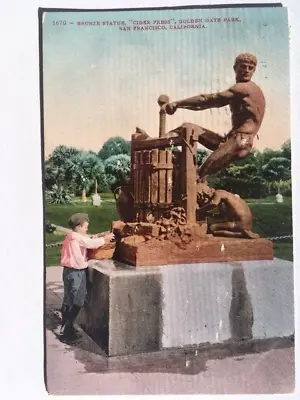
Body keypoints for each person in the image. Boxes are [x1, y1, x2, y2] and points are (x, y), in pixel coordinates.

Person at [163, 53, 265, 182]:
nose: (246, 70)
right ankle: (159, 143)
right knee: (187, 128)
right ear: (235, 68)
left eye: (250, 68)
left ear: (254, 70)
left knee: (196, 177)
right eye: (243, 66)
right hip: (231, 140)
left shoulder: (243, 88)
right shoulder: (244, 89)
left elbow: (207, 100)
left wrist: (177, 104)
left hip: (240, 141)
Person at [60, 213, 114, 343]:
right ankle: (67, 331)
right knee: (77, 301)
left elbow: (86, 238)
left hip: (68, 272)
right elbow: (91, 243)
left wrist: (94, 236)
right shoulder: (77, 238)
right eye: (85, 227)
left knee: (69, 299)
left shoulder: (71, 236)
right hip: (77, 272)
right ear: (78, 227)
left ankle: (67, 325)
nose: (87, 230)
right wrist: (105, 238)